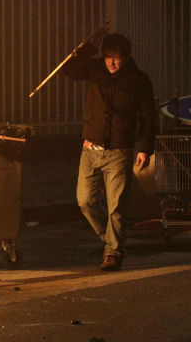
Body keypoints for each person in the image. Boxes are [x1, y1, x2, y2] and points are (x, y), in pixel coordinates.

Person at [63, 32, 157, 271]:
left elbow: (148, 117)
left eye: (117, 58)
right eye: (108, 57)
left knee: (117, 205)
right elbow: (69, 71)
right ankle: (111, 239)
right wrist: (85, 50)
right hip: (91, 148)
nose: (112, 62)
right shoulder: (95, 70)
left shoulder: (139, 80)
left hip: (119, 150)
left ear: (127, 57)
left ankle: (113, 252)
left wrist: (145, 148)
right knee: (85, 201)